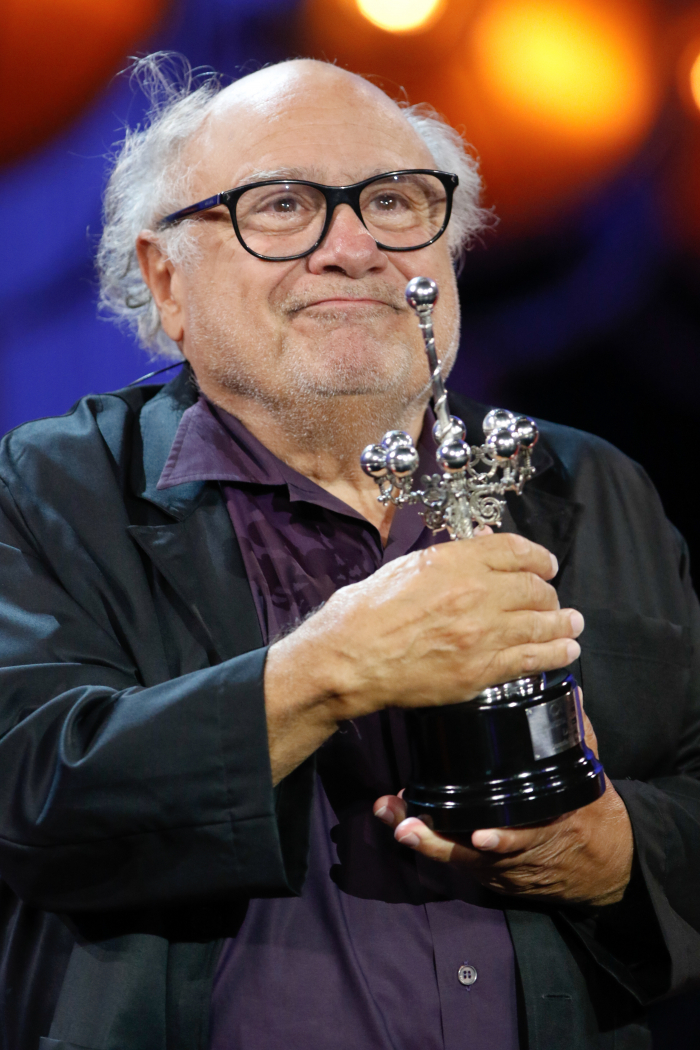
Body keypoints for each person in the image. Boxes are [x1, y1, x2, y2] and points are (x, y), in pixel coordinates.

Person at [0, 54, 698, 1050]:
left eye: (396, 202)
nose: (355, 246)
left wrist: (619, 851)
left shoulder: (588, 485)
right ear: (167, 281)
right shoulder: (47, 491)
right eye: (282, 206)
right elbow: (30, 796)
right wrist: (326, 672)